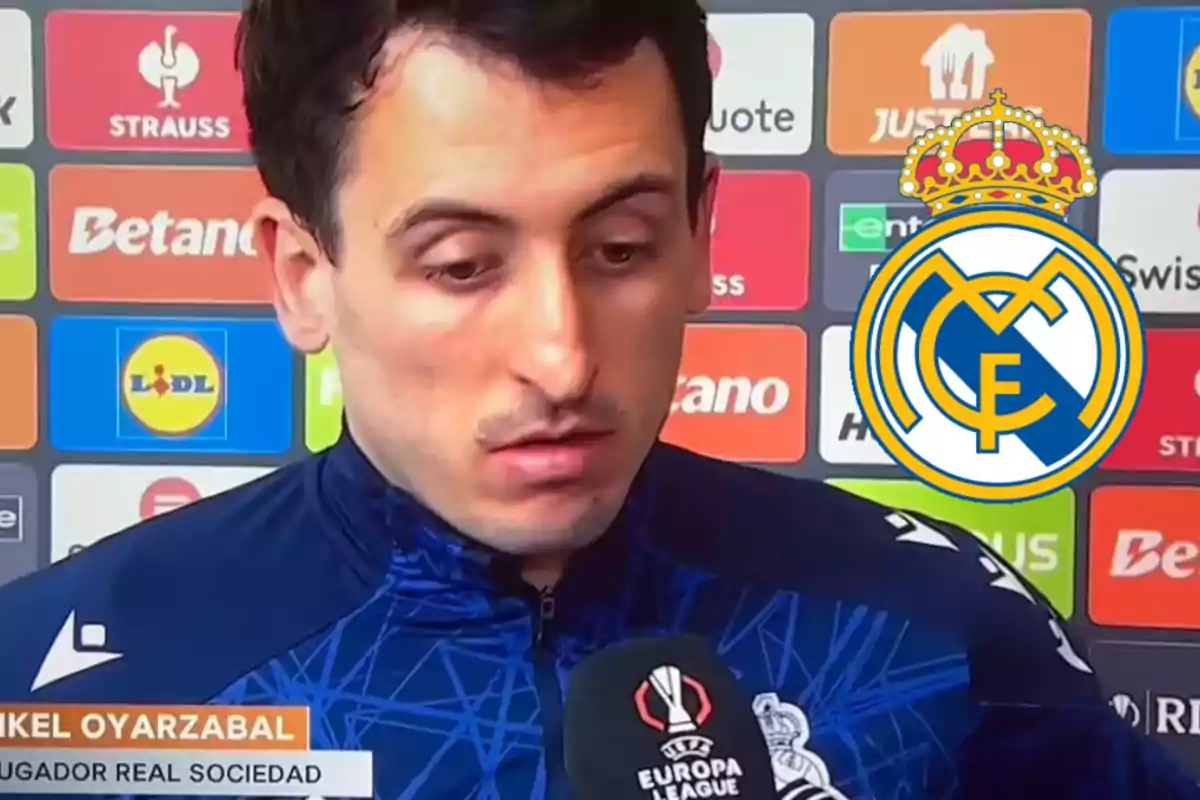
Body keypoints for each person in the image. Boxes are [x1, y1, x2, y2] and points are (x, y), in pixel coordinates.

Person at [0, 1, 1195, 798]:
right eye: (464, 265)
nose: (563, 360)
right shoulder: (68, 690)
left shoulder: (934, 620)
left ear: (699, 231)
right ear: (305, 276)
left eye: (619, 248)